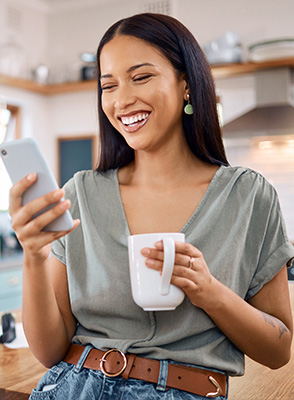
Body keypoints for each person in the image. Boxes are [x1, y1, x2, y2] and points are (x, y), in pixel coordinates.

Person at [9, 13, 294, 400]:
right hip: (73, 386)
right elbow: (49, 352)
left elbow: (278, 351)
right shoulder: (80, 194)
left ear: (187, 85)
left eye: (141, 77)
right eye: (108, 85)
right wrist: (34, 256)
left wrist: (210, 291)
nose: (122, 100)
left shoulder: (248, 196)